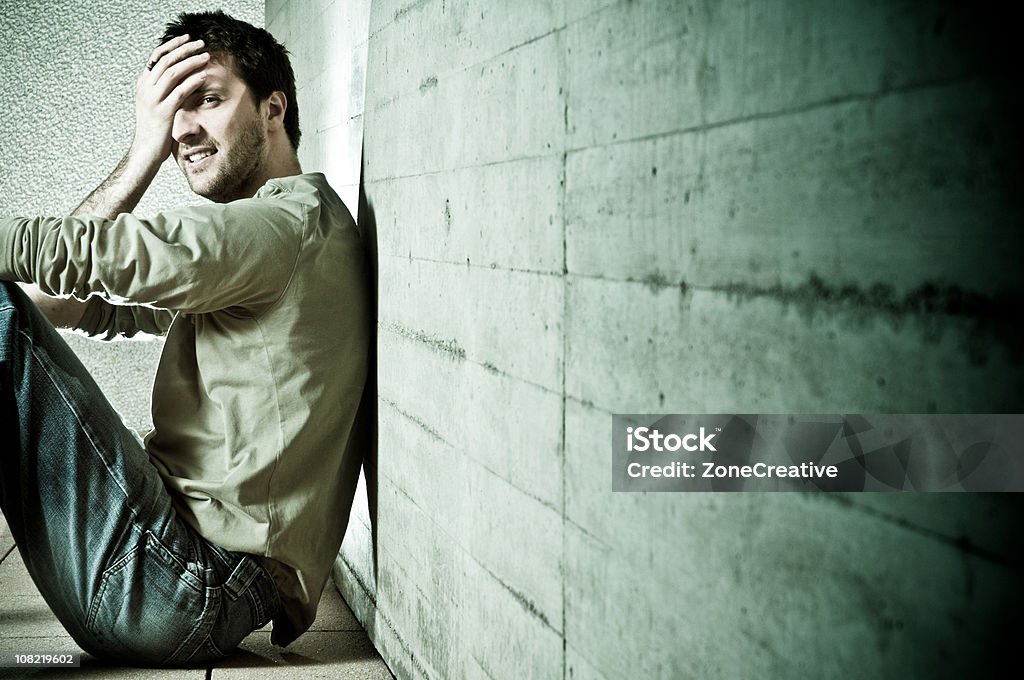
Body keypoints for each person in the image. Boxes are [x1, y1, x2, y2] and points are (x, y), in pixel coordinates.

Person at [0, 10, 369, 666]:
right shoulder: (267, 250)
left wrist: (140, 156)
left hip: (184, 580)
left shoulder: (283, 228)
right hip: (181, 575)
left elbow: (95, 259)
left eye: (207, 99)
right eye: (170, 112)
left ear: (272, 108)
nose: (182, 130)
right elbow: (46, 302)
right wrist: (144, 148)